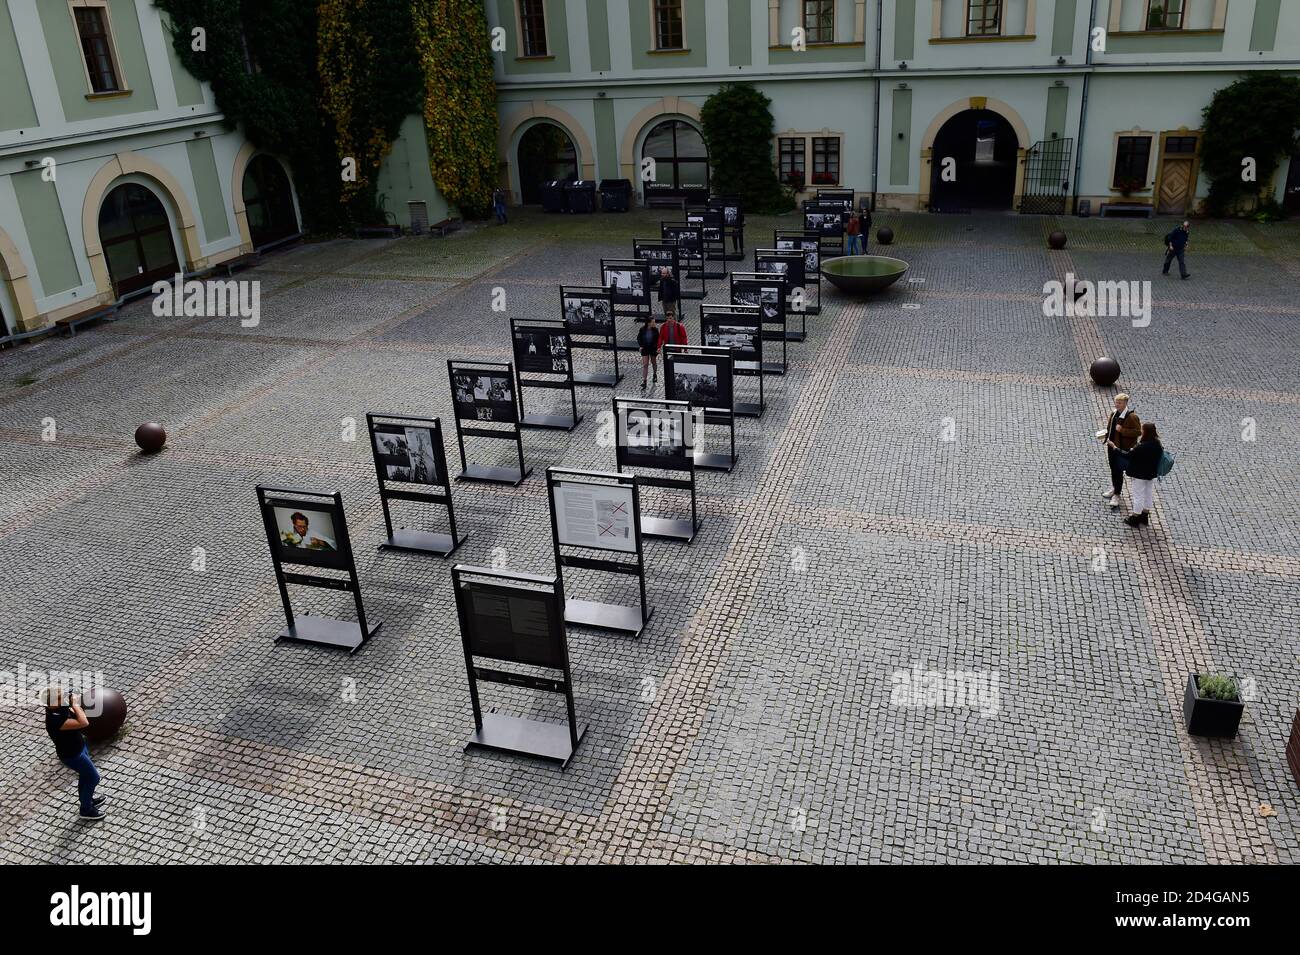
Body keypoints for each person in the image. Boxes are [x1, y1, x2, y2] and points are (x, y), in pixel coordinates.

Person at [44, 687, 105, 821]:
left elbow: (77, 713)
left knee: (85, 775)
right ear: (51, 703)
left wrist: (72, 704)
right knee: (94, 778)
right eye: (60, 698)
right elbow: (83, 722)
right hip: (72, 755)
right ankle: (85, 809)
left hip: (80, 747)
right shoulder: (54, 720)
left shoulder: (58, 708)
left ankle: (87, 800)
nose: (63, 700)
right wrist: (76, 705)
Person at [1098, 393, 1141, 509]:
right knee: (1113, 469)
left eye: (1119, 403)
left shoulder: (1132, 417)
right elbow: (1110, 428)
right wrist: (1106, 435)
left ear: (1125, 403)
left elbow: (1138, 432)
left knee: (1118, 470)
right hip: (1111, 446)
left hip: (1122, 449)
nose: (1117, 405)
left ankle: (1117, 494)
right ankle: (1115, 488)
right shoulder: (1114, 413)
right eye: (1116, 402)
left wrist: (1122, 430)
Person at [1118, 422, 1163, 527]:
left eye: (1143, 430)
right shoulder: (1157, 444)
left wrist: (1115, 448)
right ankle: (1144, 516)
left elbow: (1128, 455)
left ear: (1146, 432)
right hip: (1150, 475)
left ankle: (1135, 517)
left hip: (1139, 475)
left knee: (1138, 496)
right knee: (1148, 494)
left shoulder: (1142, 446)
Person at [637, 315, 661, 391]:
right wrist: (641, 346)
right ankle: (644, 380)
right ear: (649, 323)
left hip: (653, 348)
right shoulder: (642, 329)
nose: (655, 323)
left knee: (654, 362)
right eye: (653, 322)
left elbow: (658, 340)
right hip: (645, 348)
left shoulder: (655, 330)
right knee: (645, 364)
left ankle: (654, 374)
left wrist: (658, 348)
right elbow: (639, 338)